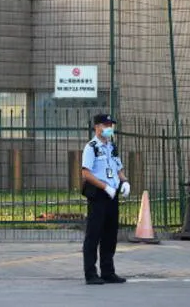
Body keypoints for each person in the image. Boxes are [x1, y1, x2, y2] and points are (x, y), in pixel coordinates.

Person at [81, 113, 130, 285]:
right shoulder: (91, 147)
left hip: (112, 194)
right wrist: (105, 187)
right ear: (97, 127)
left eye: (111, 125)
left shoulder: (111, 147)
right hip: (99, 194)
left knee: (110, 234)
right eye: (106, 125)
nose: (109, 128)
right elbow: (86, 173)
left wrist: (124, 181)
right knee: (94, 234)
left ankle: (108, 271)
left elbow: (118, 168)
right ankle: (90, 273)